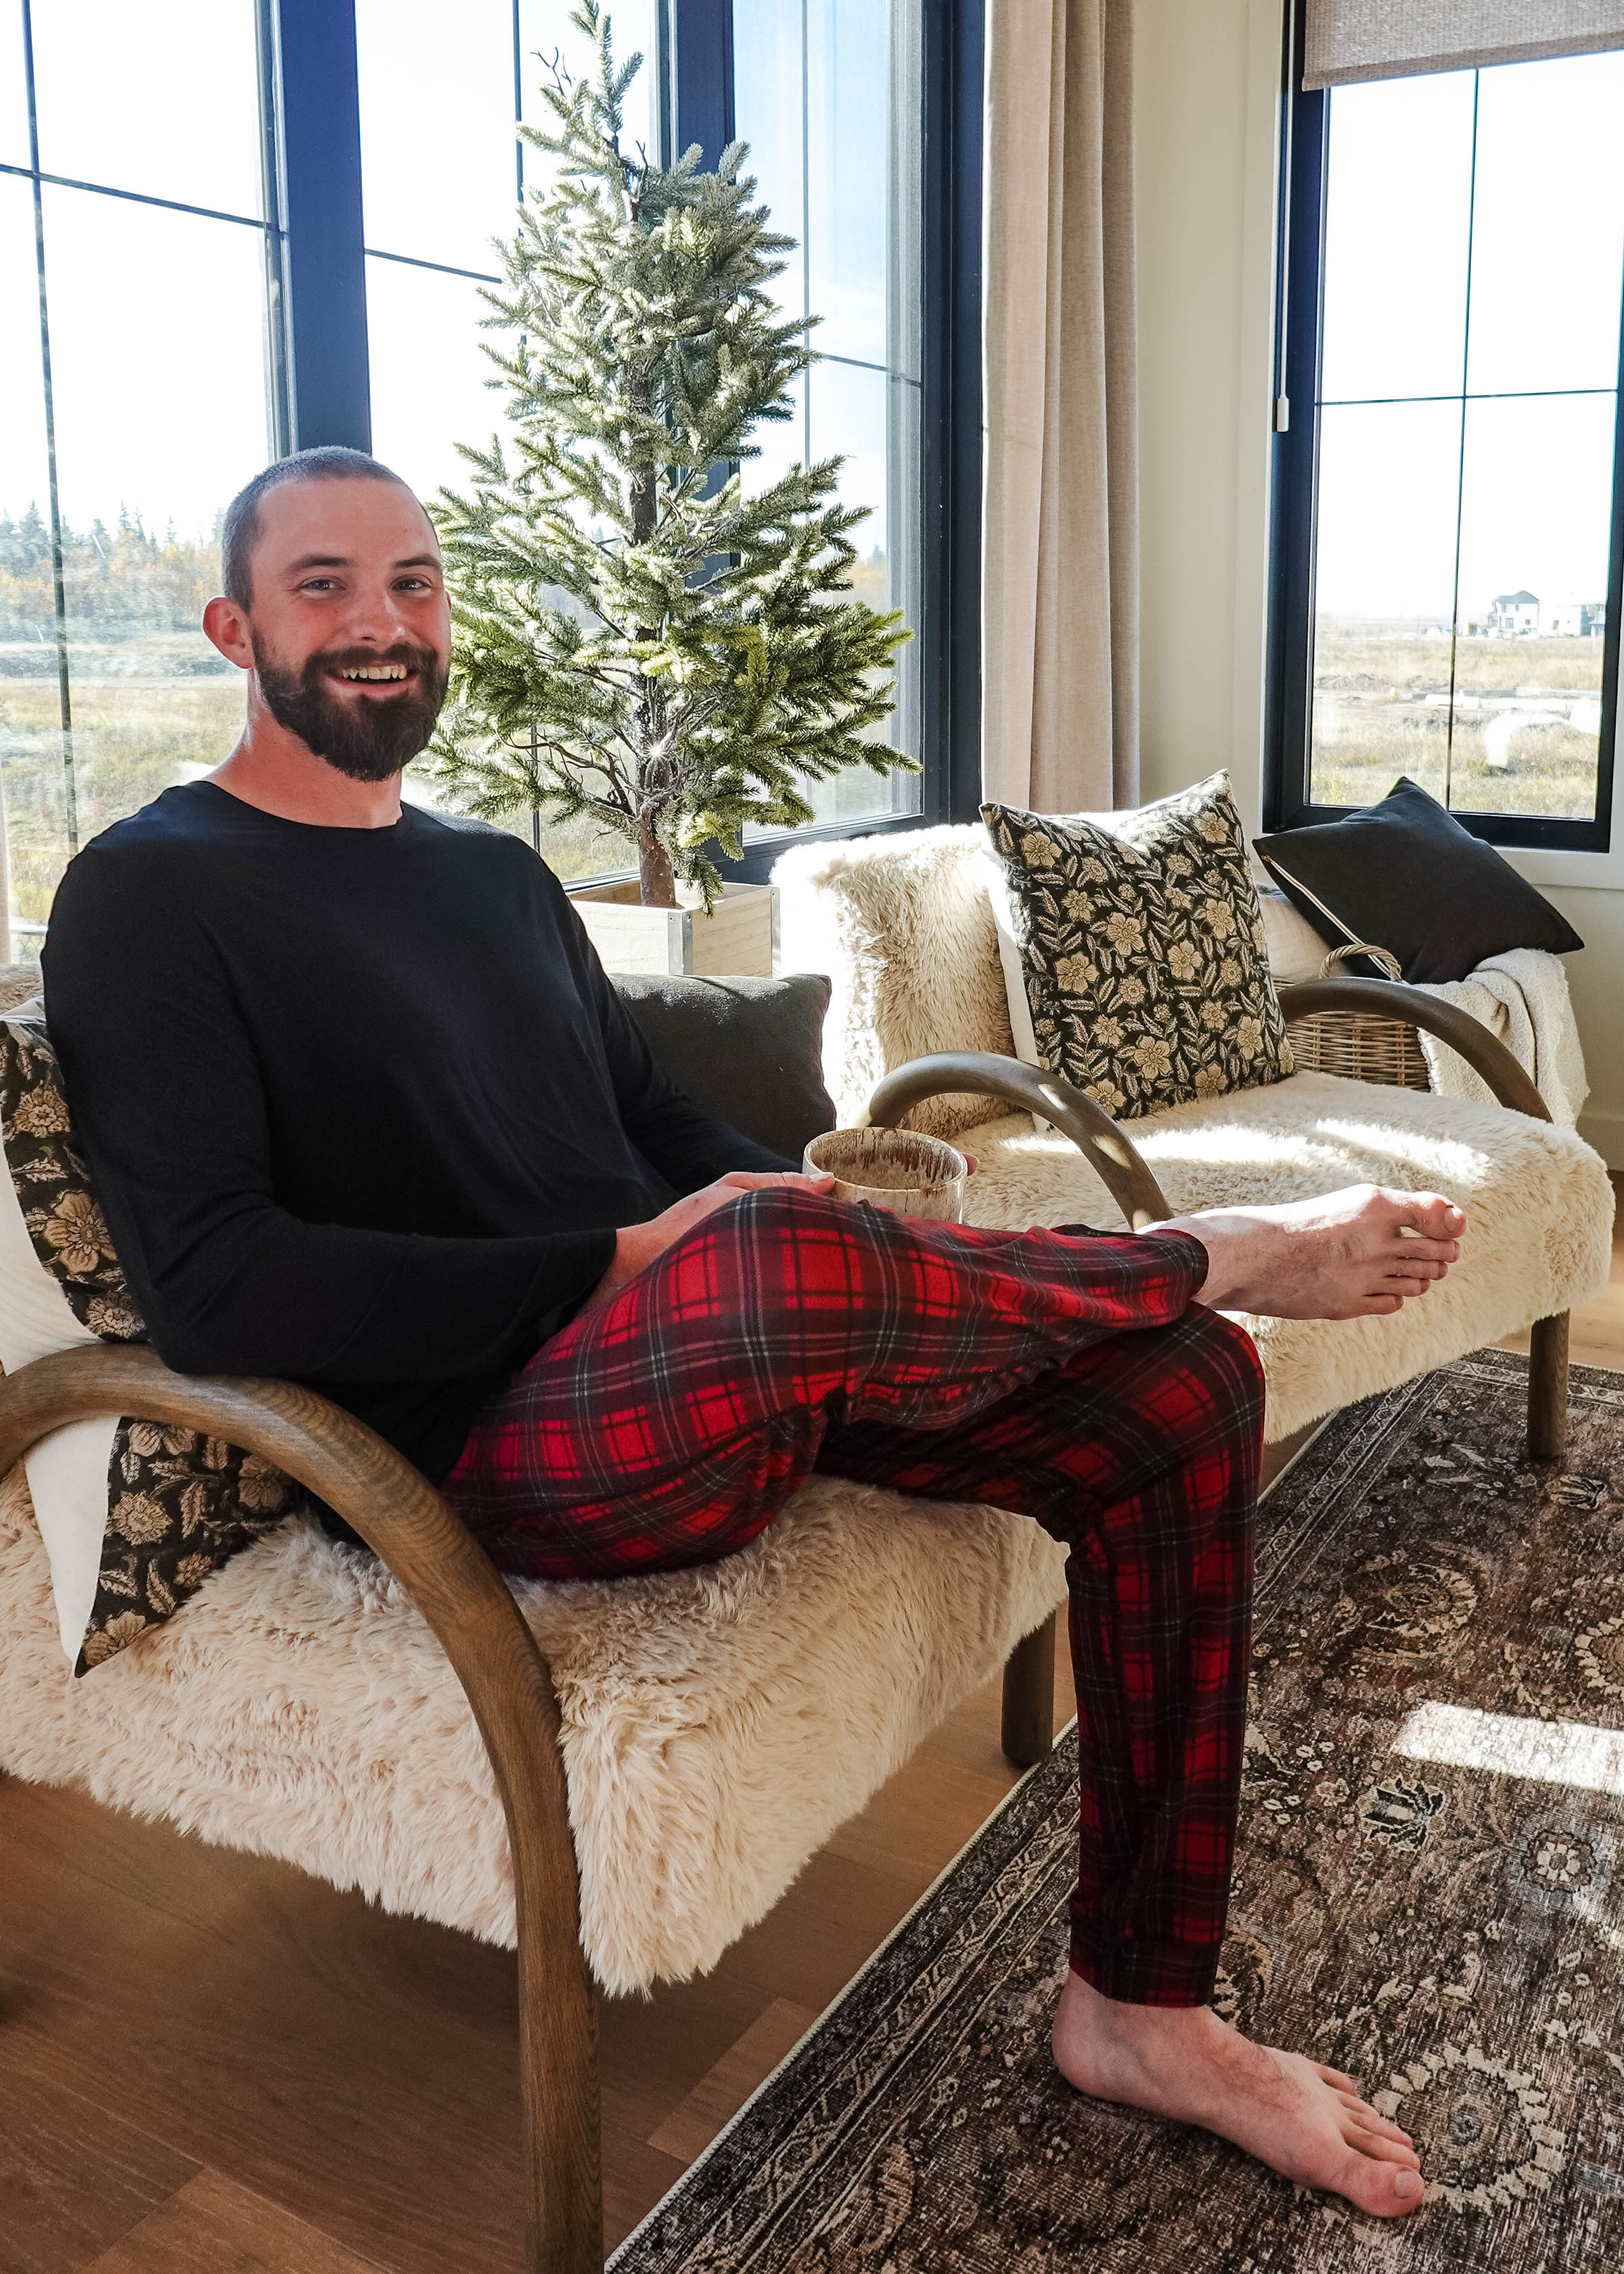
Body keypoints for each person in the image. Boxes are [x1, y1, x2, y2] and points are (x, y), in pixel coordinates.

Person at [43, 448, 1462, 2219]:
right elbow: (218, 1287)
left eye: (412, 583)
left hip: (707, 1365)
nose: (382, 625)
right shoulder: (148, 895)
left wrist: (809, 1223)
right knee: (794, 1257)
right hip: (470, 1444)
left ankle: (1140, 2004)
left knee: (1182, 1387)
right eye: (325, 587)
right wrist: (641, 1258)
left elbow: (670, 1134)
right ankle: (1199, 1246)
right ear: (232, 627)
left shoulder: (490, 876)